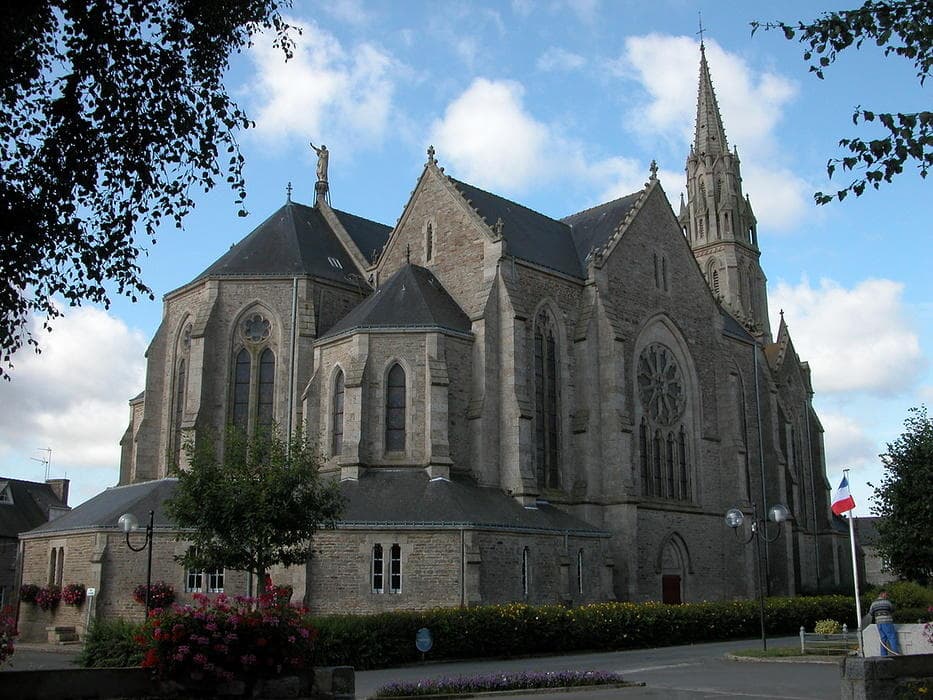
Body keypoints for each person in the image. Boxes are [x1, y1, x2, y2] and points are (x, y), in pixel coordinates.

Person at [868, 590, 900, 656]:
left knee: (883, 639)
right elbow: (892, 609)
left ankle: (883, 655)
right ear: (882, 594)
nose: (887, 596)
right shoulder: (887, 602)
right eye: (886, 594)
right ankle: (895, 654)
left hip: (879, 623)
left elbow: (871, 613)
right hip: (887, 622)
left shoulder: (873, 603)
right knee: (892, 637)